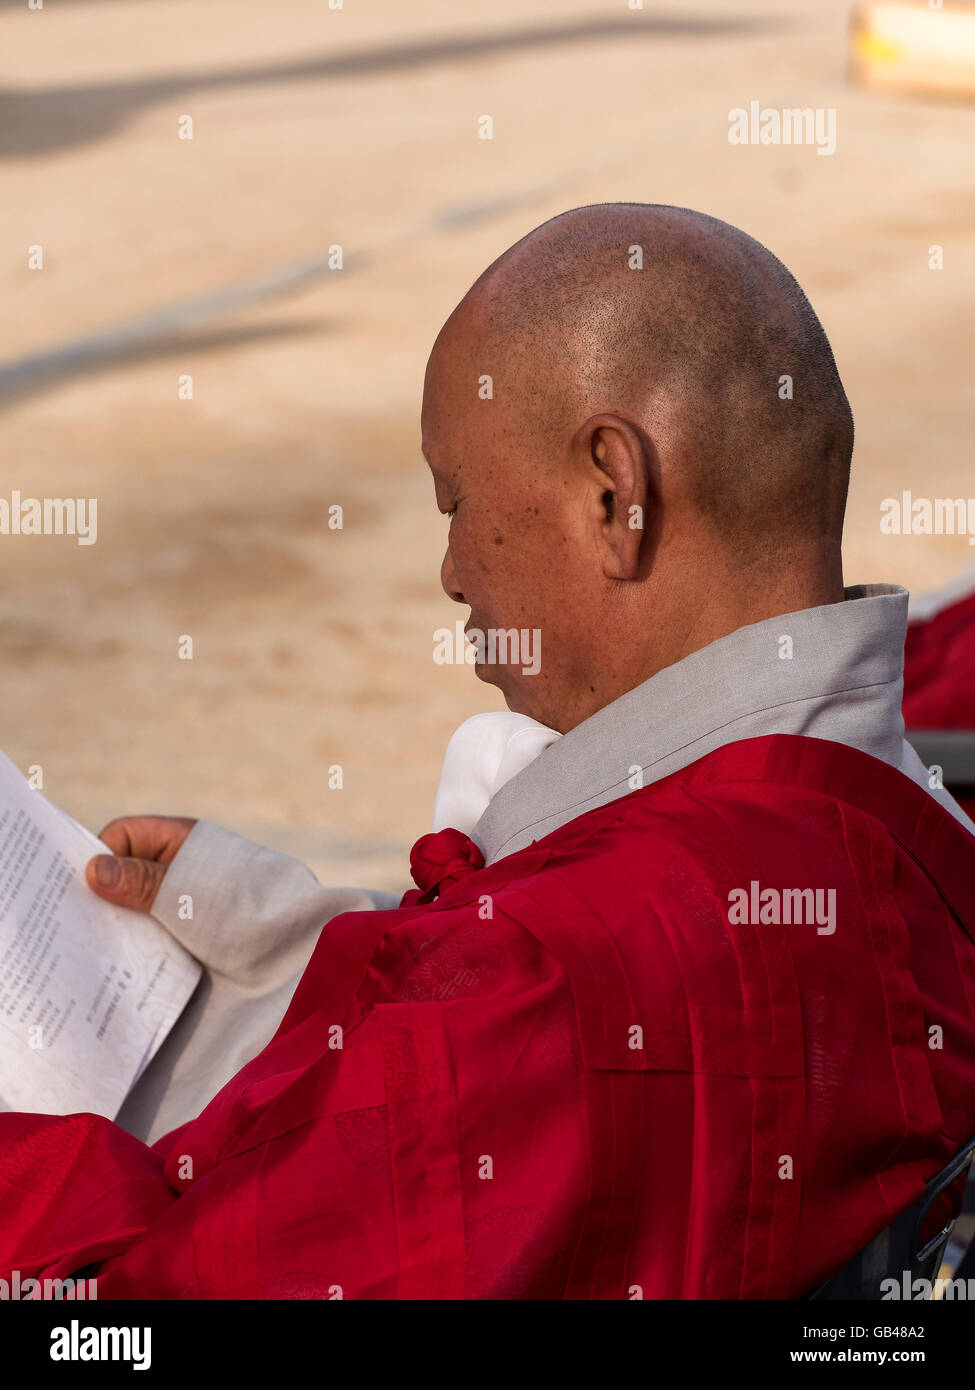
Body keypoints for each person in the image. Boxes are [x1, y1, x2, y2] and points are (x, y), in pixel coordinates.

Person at [3, 203, 975, 1300]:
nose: (454, 574)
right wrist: (289, 938)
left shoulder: (554, 976)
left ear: (618, 496)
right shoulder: (920, 836)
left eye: (455, 502)